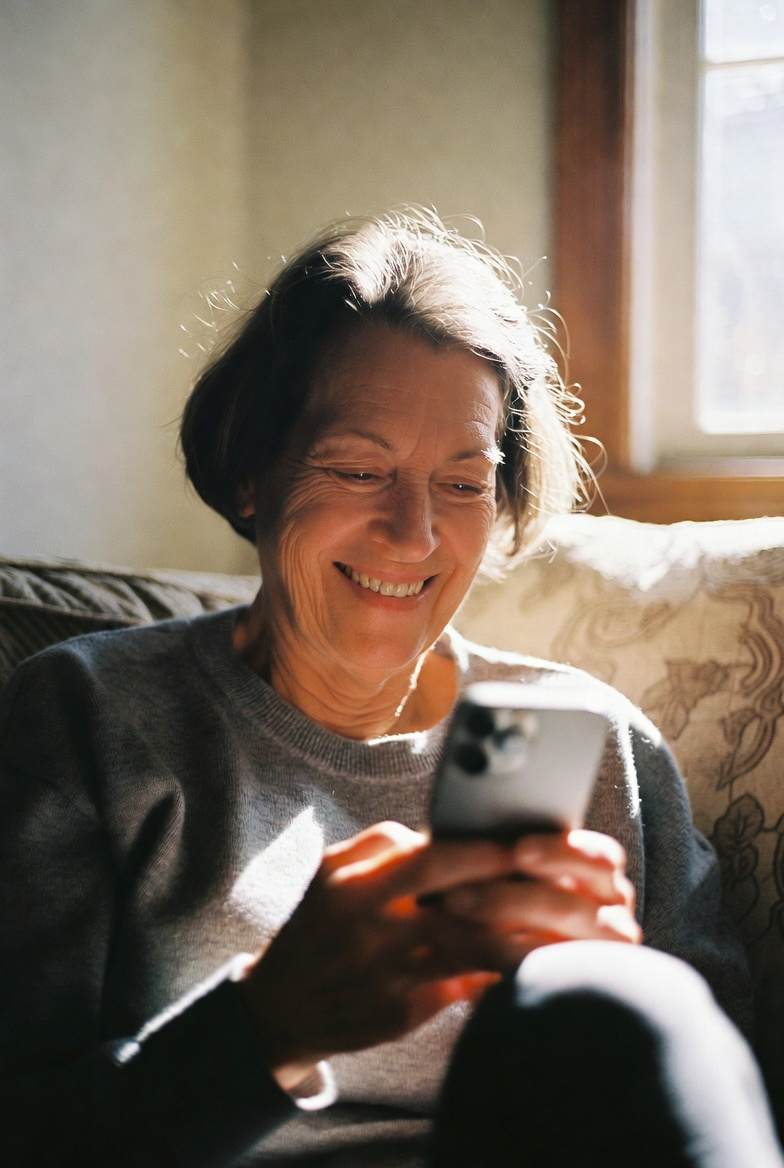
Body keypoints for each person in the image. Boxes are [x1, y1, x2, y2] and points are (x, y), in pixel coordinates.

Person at [0, 210, 779, 1168]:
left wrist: (583, 1009)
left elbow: (724, 1090)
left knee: (613, 999)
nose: (413, 534)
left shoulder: (596, 746)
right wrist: (266, 1026)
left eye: (462, 483)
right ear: (253, 470)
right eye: (360, 469)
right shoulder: (89, 718)